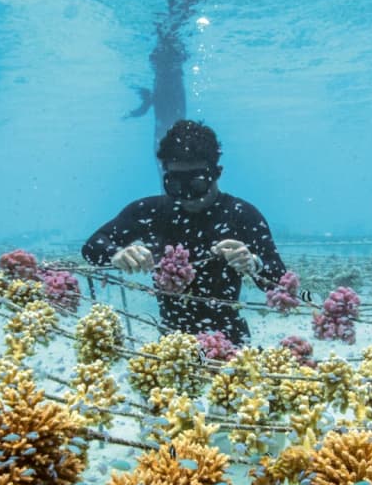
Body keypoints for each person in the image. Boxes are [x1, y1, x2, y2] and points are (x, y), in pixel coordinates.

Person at [82, 119, 289, 344]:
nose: (187, 195)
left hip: (230, 341)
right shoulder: (151, 211)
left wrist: (254, 263)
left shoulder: (242, 215)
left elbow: (281, 281)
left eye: (198, 183)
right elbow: (93, 246)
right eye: (176, 185)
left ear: (217, 173)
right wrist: (117, 253)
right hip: (172, 343)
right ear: (166, 178)